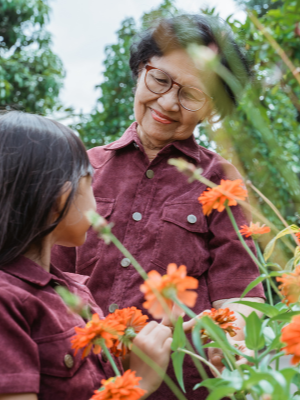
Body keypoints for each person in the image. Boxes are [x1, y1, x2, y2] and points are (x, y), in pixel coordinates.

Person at [52, 14, 265, 400]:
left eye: (191, 94)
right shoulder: (81, 167)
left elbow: (241, 292)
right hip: (84, 383)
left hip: (182, 387)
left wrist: (232, 342)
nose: (167, 102)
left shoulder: (219, 181)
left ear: (211, 109)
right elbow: (47, 277)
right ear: (139, 71)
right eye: (161, 79)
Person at [0, 111, 175, 400]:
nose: (97, 206)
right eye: (91, 187)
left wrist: (158, 339)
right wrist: (137, 385)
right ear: (60, 199)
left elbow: (90, 382)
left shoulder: (69, 291)